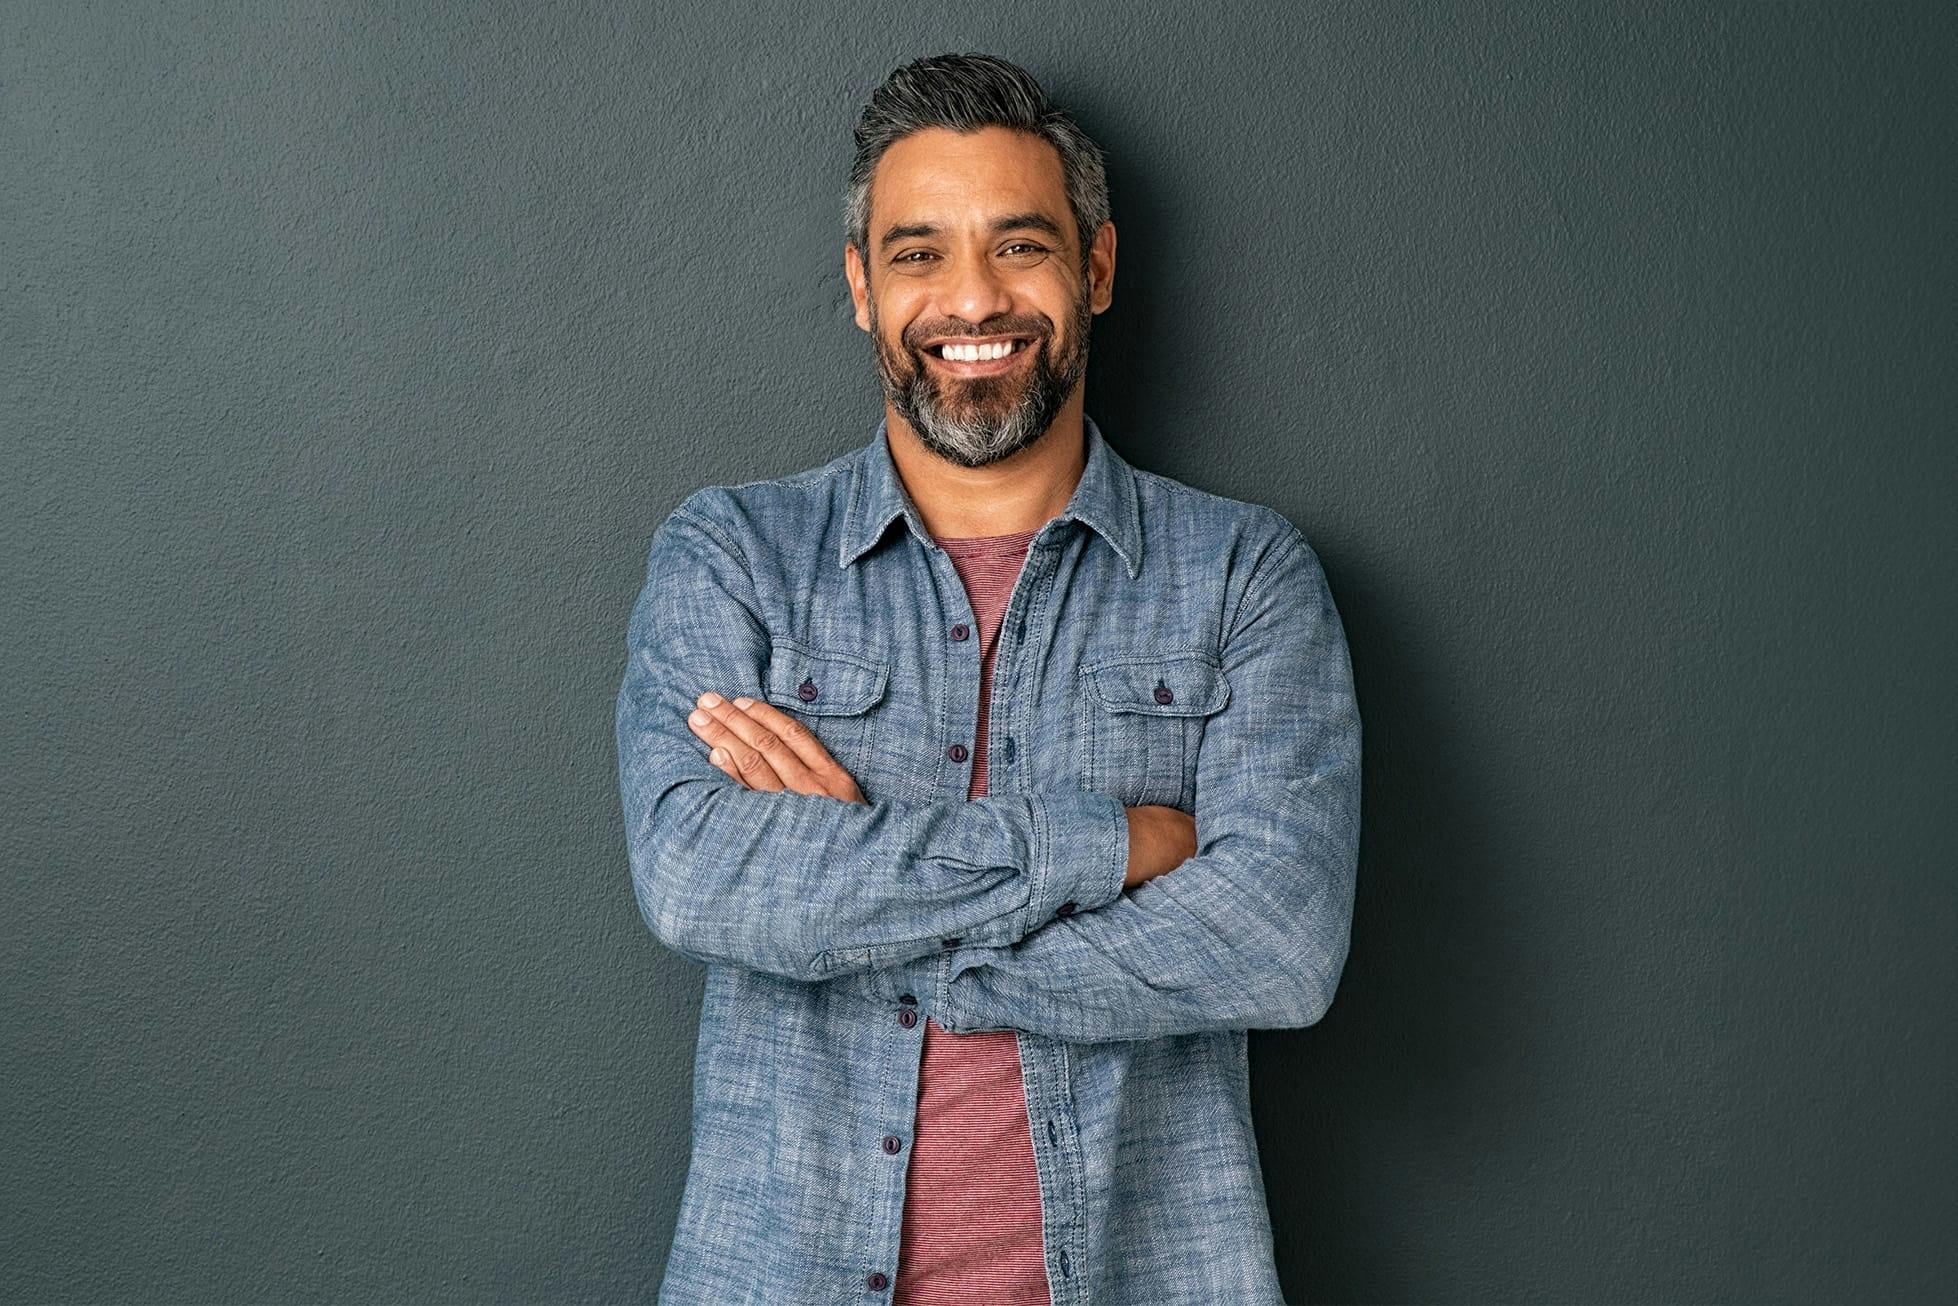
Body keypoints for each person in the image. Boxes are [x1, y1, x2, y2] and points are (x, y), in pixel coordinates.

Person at [614, 51, 1361, 1306]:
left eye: (1018, 246)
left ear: (1096, 270)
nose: (972, 300)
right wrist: (1105, 849)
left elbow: (1278, 938)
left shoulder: (1242, 573)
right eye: (918, 254)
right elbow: (693, 876)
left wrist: (874, 902)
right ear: (860, 286)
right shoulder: (731, 555)